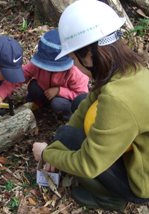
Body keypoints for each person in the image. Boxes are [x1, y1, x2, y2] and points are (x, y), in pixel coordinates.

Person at [32, 0, 149, 211]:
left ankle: (109, 199)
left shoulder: (117, 98)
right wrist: (60, 141)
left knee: (74, 146)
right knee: (72, 122)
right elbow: (86, 103)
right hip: (142, 153)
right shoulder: (131, 69)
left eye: (72, 58)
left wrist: (47, 154)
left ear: (88, 54)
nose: (74, 65)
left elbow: (88, 165)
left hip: (143, 184)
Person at [22, 29, 89, 120]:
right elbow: (23, 74)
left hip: (64, 99)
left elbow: (81, 95)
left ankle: (68, 115)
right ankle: (41, 106)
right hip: (46, 92)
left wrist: (59, 91)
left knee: (58, 104)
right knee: (34, 87)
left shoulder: (75, 72)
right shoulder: (37, 66)